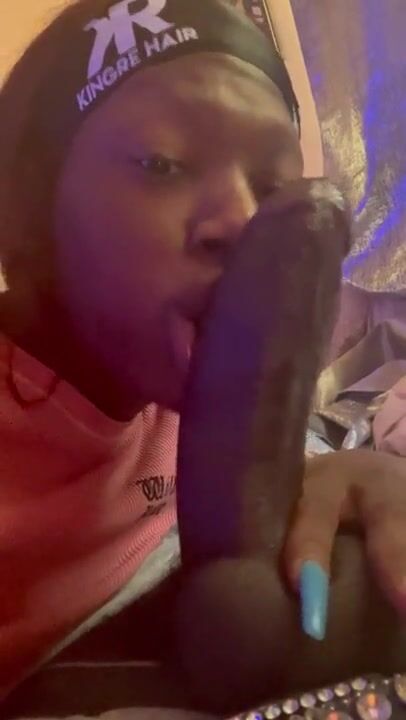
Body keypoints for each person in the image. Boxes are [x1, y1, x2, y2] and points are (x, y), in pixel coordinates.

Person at [0, 0, 404, 712]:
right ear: (28, 205)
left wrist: (361, 486)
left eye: (274, 187)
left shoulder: (197, 395)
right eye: (162, 164)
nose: (243, 222)